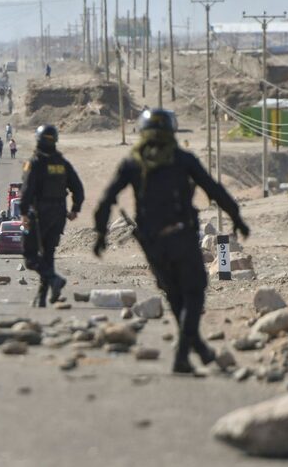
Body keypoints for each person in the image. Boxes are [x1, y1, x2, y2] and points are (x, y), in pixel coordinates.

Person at [93, 109, 250, 374]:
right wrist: (237, 217)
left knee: (176, 297)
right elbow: (213, 189)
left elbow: (106, 200)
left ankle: (198, 349)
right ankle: (182, 356)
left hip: (152, 244)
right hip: (181, 237)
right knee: (194, 292)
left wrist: (100, 235)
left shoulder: (132, 163)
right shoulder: (183, 159)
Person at [21, 124, 85, 308]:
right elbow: (78, 188)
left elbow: (27, 190)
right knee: (48, 255)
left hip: (39, 214)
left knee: (30, 256)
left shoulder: (35, 163)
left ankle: (53, 279)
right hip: (59, 214)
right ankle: (42, 297)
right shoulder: (62, 163)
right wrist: (75, 209)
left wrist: (24, 213)